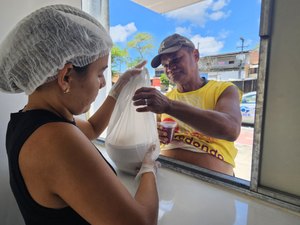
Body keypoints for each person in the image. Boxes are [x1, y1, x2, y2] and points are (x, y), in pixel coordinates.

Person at [0, 5, 159, 225]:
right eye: (100, 72)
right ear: (65, 77)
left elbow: (92, 129)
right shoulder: (55, 140)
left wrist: (119, 86)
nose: (103, 82)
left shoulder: (29, 120)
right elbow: (142, 222)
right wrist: (148, 167)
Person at [132, 33, 242, 176]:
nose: (170, 67)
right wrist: (155, 135)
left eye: (176, 59)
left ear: (195, 56)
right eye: (165, 65)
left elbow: (231, 130)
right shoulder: (166, 99)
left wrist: (169, 106)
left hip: (214, 183)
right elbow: (155, 140)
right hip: (168, 180)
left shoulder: (223, 89)